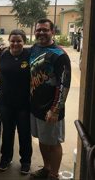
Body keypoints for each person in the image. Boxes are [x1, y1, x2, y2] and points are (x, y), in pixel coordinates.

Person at [29, 18, 71, 180]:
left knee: (53, 143)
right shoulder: (34, 49)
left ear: (52, 32)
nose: (41, 33)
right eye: (38, 30)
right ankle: (46, 168)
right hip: (36, 107)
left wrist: (55, 110)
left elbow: (64, 84)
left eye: (45, 30)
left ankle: (54, 175)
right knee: (42, 140)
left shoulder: (60, 55)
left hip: (51, 109)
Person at [0, 29, 32, 174]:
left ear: (24, 42)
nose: (15, 43)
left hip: (24, 103)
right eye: (12, 40)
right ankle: (6, 158)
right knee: (7, 132)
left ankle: (25, 161)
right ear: (9, 41)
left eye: (19, 41)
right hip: (6, 102)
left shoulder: (29, 54)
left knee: (24, 133)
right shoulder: (2, 54)